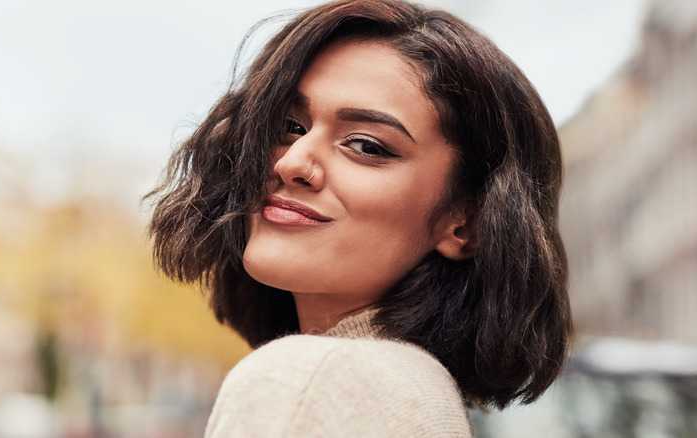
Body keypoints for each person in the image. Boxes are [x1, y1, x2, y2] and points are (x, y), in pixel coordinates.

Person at [148, 0, 572, 435]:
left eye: (367, 145)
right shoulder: (418, 393)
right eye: (290, 126)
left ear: (466, 222)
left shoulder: (310, 381)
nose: (292, 162)